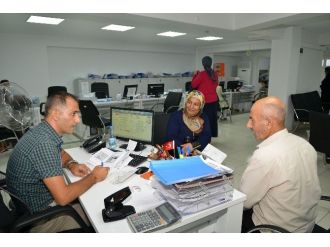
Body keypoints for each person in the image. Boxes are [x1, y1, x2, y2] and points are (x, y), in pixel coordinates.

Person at [6, 92, 109, 232]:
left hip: (30, 207)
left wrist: (71, 164)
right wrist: (94, 177)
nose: (78, 120)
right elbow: (63, 198)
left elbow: (59, 152)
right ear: (55, 114)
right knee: (101, 215)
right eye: (73, 114)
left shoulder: (42, 131)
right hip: (42, 220)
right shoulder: (44, 144)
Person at [240, 96, 321, 233]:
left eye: (251, 119)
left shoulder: (265, 156)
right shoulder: (304, 144)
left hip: (276, 230)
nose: (248, 125)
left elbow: (244, 201)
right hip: (306, 226)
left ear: (268, 123)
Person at [166, 90, 211, 156]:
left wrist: (193, 146)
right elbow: (170, 137)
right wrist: (187, 150)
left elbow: (207, 136)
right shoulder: (176, 116)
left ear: (200, 107)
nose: (191, 106)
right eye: (189, 102)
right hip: (177, 153)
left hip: (197, 152)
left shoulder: (203, 117)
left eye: (196, 104)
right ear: (186, 102)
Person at [192, 56, 219, 137]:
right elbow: (216, 85)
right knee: (211, 120)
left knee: (202, 120)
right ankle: (209, 137)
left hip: (204, 102)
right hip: (213, 101)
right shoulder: (215, 74)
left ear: (203, 64)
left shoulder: (202, 74)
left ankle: (204, 137)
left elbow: (193, 84)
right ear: (210, 63)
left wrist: (195, 75)